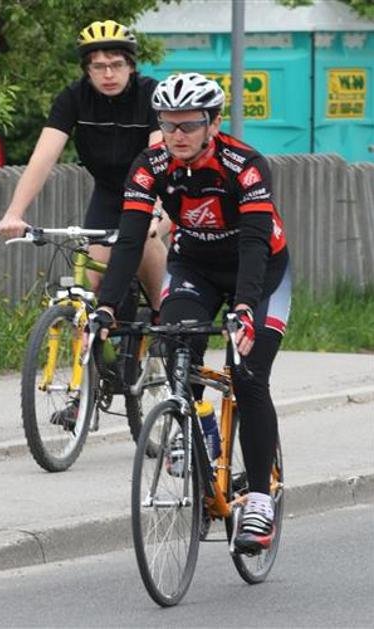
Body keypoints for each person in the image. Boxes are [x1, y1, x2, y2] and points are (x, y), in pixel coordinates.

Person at [93, 72, 292, 553]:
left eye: (188, 124)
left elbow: (254, 242)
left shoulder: (244, 164)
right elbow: (131, 240)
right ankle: (195, 430)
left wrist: (244, 307)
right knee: (175, 340)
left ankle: (259, 500)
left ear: (213, 123)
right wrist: (105, 307)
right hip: (194, 266)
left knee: (248, 376)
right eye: (167, 124)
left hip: (259, 270)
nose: (176, 134)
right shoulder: (151, 164)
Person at [0, 19, 168, 311]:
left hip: (157, 192)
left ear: (131, 66)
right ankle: (107, 336)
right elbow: (42, 159)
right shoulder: (73, 98)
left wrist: (156, 212)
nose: (108, 74)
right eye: (98, 67)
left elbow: (160, 160)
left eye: (116, 64)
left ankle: (163, 315)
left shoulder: (151, 95)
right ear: (87, 70)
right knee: (97, 279)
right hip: (109, 192)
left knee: (142, 238)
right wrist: (14, 213)